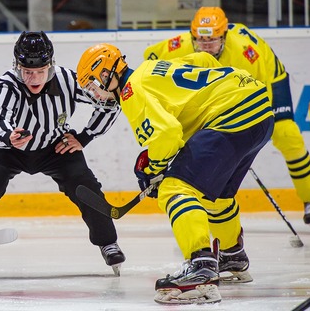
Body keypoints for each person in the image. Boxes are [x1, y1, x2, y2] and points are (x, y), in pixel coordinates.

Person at [76, 43, 274, 304]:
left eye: (92, 86)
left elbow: (167, 135)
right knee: (215, 197)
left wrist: (152, 170)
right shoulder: (152, 68)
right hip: (258, 106)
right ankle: (232, 255)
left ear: (104, 75)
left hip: (232, 115)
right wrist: (216, 96)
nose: (95, 94)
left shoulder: (131, 91)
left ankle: (201, 267)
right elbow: (204, 59)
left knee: (175, 188)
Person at [0, 31, 125, 277]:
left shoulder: (68, 80)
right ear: (17, 66)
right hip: (6, 149)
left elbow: (110, 102)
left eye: (40, 71)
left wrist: (85, 136)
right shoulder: (7, 85)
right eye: (26, 71)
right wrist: (9, 136)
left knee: (84, 183)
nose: (33, 78)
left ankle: (108, 242)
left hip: (54, 147)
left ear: (51, 66)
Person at [143, 6, 310, 225]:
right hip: (224, 96)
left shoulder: (246, 53)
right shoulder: (179, 46)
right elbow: (150, 59)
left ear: (224, 36)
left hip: (267, 84)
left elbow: (259, 97)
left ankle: (309, 198)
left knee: (287, 135)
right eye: (200, 41)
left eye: (212, 40)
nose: (205, 46)